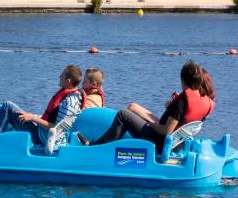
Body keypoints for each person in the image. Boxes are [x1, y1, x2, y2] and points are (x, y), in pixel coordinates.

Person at [77, 61, 215, 151]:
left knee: (123, 115)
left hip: (160, 142)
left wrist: (148, 122)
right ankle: (104, 144)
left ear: (183, 79)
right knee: (132, 109)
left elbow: (166, 130)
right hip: (178, 145)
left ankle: (96, 148)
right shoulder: (205, 101)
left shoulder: (182, 101)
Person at [0, 65, 85, 153]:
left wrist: (32, 118)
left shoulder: (67, 101)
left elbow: (55, 127)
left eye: (62, 75)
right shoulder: (74, 97)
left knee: (7, 106)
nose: (59, 76)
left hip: (42, 137)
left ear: (68, 81)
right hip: (45, 134)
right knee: (12, 108)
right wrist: (32, 116)